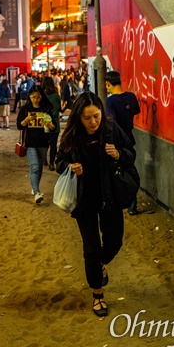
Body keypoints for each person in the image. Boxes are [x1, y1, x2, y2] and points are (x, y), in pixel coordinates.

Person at [54, 92, 136, 317]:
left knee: (114, 241)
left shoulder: (111, 130)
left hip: (110, 196)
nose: (93, 122)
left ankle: (100, 263)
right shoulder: (71, 137)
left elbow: (131, 153)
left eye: (96, 116)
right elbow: (58, 162)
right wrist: (70, 167)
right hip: (85, 200)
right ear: (78, 117)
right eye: (87, 117)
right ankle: (97, 295)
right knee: (91, 249)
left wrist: (119, 153)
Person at [105, 70, 141, 215]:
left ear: (108, 84)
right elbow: (135, 111)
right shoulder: (131, 97)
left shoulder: (110, 101)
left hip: (118, 142)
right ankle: (132, 206)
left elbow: (111, 122)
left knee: (119, 173)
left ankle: (121, 201)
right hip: (130, 139)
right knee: (130, 172)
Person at [17, 86, 56, 204]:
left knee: (38, 169)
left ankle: (35, 188)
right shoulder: (25, 109)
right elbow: (19, 125)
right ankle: (37, 192)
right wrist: (27, 119)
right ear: (29, 96)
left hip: (43, 143)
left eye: (38, 97)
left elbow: (54, 127)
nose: (36, 99)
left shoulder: (46, 109)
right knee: (34, 167)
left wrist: (50, 125)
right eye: (33, 97)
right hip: (30, 143)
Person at [42, 76, 62, 171]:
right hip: (54, 122)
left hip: (44, 122)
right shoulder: (56, 95)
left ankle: (44, 160)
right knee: (53, 145)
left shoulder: (42, 95)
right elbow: (59, 108)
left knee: (44, 143)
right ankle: (51, 163)